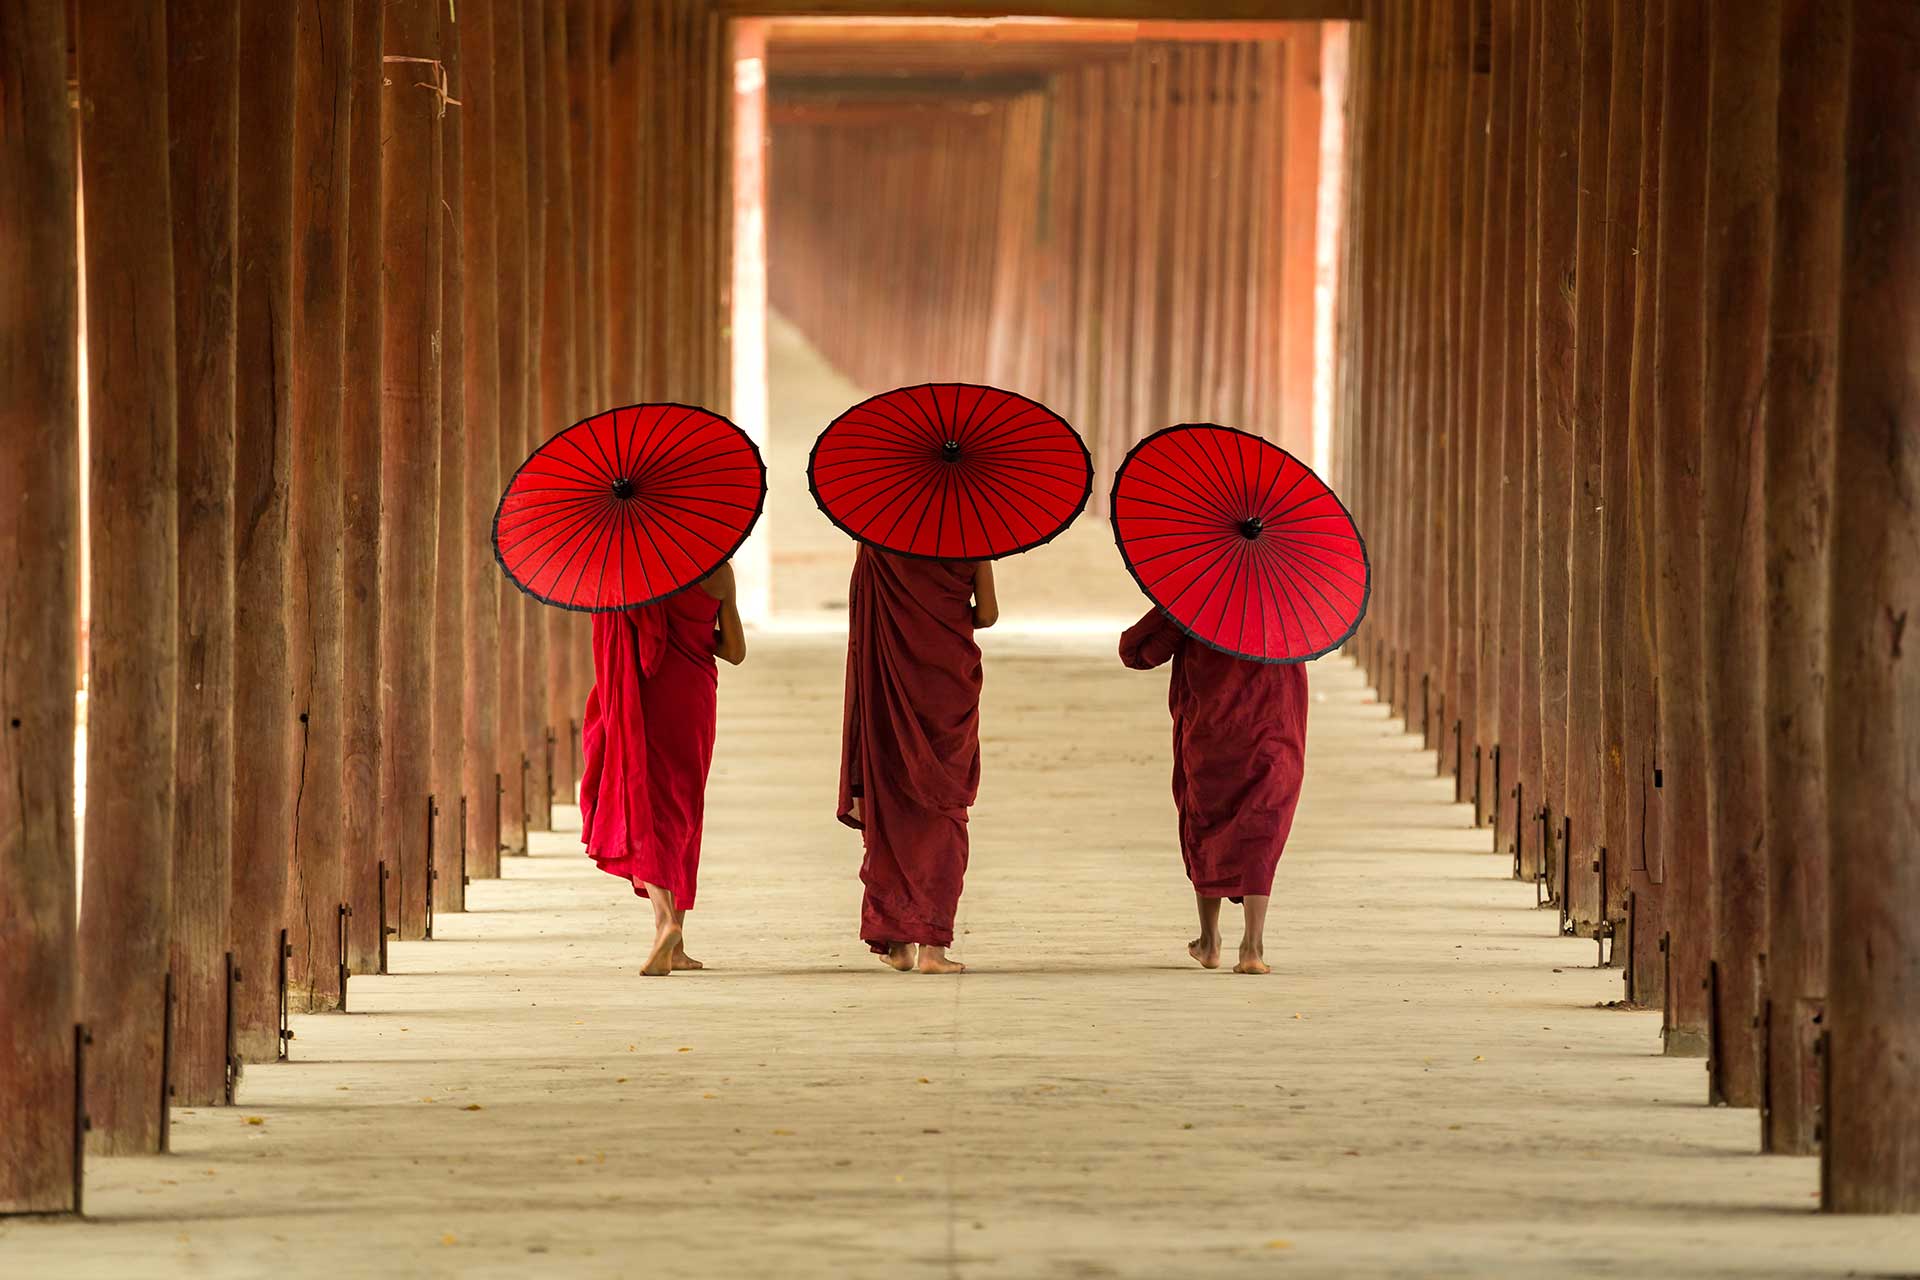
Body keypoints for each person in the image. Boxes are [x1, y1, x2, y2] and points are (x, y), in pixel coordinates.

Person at [579, 562, 747, 977]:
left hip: (644, 695)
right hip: (693, 697)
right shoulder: (719, 572)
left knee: (642, 805)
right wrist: (694, 632)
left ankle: (664, 921)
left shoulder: (628, 571)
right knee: (683, 809)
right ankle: (678, 945)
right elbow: (735, 652)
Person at [1119, 607, 1308, 975]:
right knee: (1263, 825)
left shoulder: (1199, 596)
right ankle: (1253, 946)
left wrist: (1180, 616)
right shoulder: (1289, 604)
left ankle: (1209, 941)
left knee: (1206, 822)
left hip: (1212, 729)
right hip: (1274, 730)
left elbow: (1137, 653)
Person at [838, 546, 998, 975]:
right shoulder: (972, 537)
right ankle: (933, 947)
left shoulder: (874, 537)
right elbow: (987, 615)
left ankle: (896, 940)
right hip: (948, 685)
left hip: (889, 683)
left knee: (892, 798)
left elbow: (861, 608)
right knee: (945, 806)